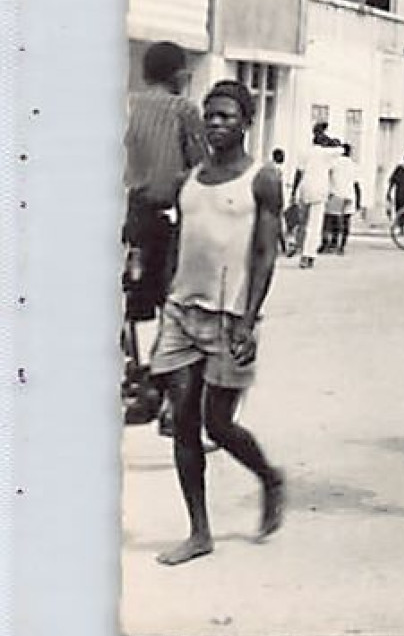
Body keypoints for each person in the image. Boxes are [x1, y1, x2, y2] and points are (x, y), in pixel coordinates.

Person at [146, 80, 286, 565]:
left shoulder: (262, 180)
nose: (216, 123)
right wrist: (166, 300)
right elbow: (181, 241)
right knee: (182, 421)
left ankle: (269, 477)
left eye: (227, 116)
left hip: (231, 317)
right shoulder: (190, 178)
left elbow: (266, 253)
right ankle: (199, 532)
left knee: (218, 424)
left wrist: (248, 320)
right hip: (182, 312)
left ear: (246, 122)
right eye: (210, 115)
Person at [123, 42, 206, 355]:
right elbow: (200, 167)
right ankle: (155, 366)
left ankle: (135, 361)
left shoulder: (129, 104)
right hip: (166, 215)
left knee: (133, 294)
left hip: (128, 212)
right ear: (177, 73)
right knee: (169, 293)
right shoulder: (184, 110)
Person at [291, 122, 339, 268]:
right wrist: (328, 140)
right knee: (314, 224)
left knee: (302, 222)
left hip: (305, 188)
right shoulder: (326, 154)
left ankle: (295, 244)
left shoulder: (305, 152)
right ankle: (307, 255)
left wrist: (294, 191)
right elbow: (341, 149)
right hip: (320, 190)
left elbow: (298, 172)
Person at [322, 142, 362, 255]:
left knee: (331, 221)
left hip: (336, 193)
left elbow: (327, 179)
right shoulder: (354, 165)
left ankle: (330, 244)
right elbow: (357, 184)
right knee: (345, 222)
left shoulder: (334, 163)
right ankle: (342, 247)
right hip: (349, 195)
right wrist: (358, 200)